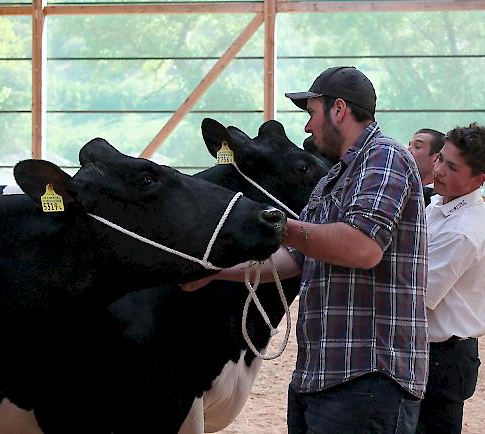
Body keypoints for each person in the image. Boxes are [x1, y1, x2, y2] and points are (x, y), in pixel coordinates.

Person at [183, 66, 428, 433]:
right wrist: (215, 272)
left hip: (369, 375)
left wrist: (277, 224)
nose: (308, 127)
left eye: (312, 113)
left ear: (339, 110)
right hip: (321, 373)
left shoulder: (384, 158)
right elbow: (294, 259)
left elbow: (363, 247)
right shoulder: (332, 178)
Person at [417, 123, 485, 434]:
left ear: (478, 179)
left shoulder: (464, 230)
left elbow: (418, 294)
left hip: (443, 359)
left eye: (451, 167)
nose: (438, 170)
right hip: (433, 352)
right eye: (440, 159)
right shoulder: (440, 203)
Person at [407, 128, 445, 206]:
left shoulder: (436, 201)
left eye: (417, 147)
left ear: (436, 159)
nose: (408, 150)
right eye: (409, 145)